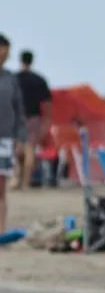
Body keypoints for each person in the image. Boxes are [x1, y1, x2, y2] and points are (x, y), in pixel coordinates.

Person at [14, 50, 52, 190]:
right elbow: (47, 104)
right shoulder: (39, 80)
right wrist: (46, 123)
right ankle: (26, 181)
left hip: (17, 118)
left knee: (18, 149)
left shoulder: (13, 78)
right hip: (34, 118)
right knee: (30, 149)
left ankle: (17, 179)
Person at [0, 35, 26, 234]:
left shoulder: (11, 79)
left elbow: (19, 110)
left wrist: (20, 137)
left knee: (1, 189)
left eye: (7, 53)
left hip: (5, 139)